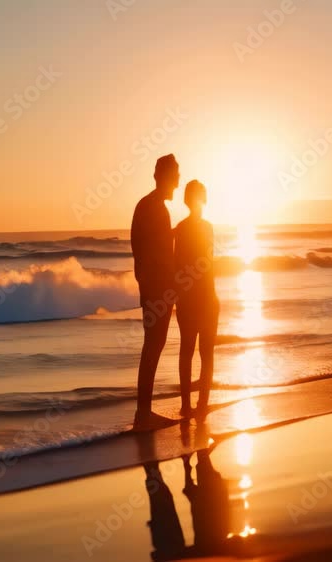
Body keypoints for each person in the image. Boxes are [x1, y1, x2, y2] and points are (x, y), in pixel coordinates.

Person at [131, 154, 181, 431]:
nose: (178, 180)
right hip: (157, 290)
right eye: (175, 174)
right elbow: (157, 256)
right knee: (152, 346)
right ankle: (143, 415)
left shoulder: (151, 206)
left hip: (154, 288)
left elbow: (145, 250)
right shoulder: (152, 208)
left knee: (153, 346)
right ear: (164, 176)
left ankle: (144, 412)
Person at [175, 180, 220, 418]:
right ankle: (196, 404)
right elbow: (201, 263)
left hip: (197, 298)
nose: (197, 203)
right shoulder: (196, 228)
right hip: (199, 298)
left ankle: (193, 404)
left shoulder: (184, 228)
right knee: (200, 352)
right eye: (196, 198)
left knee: (193, 351)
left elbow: (180, 265)